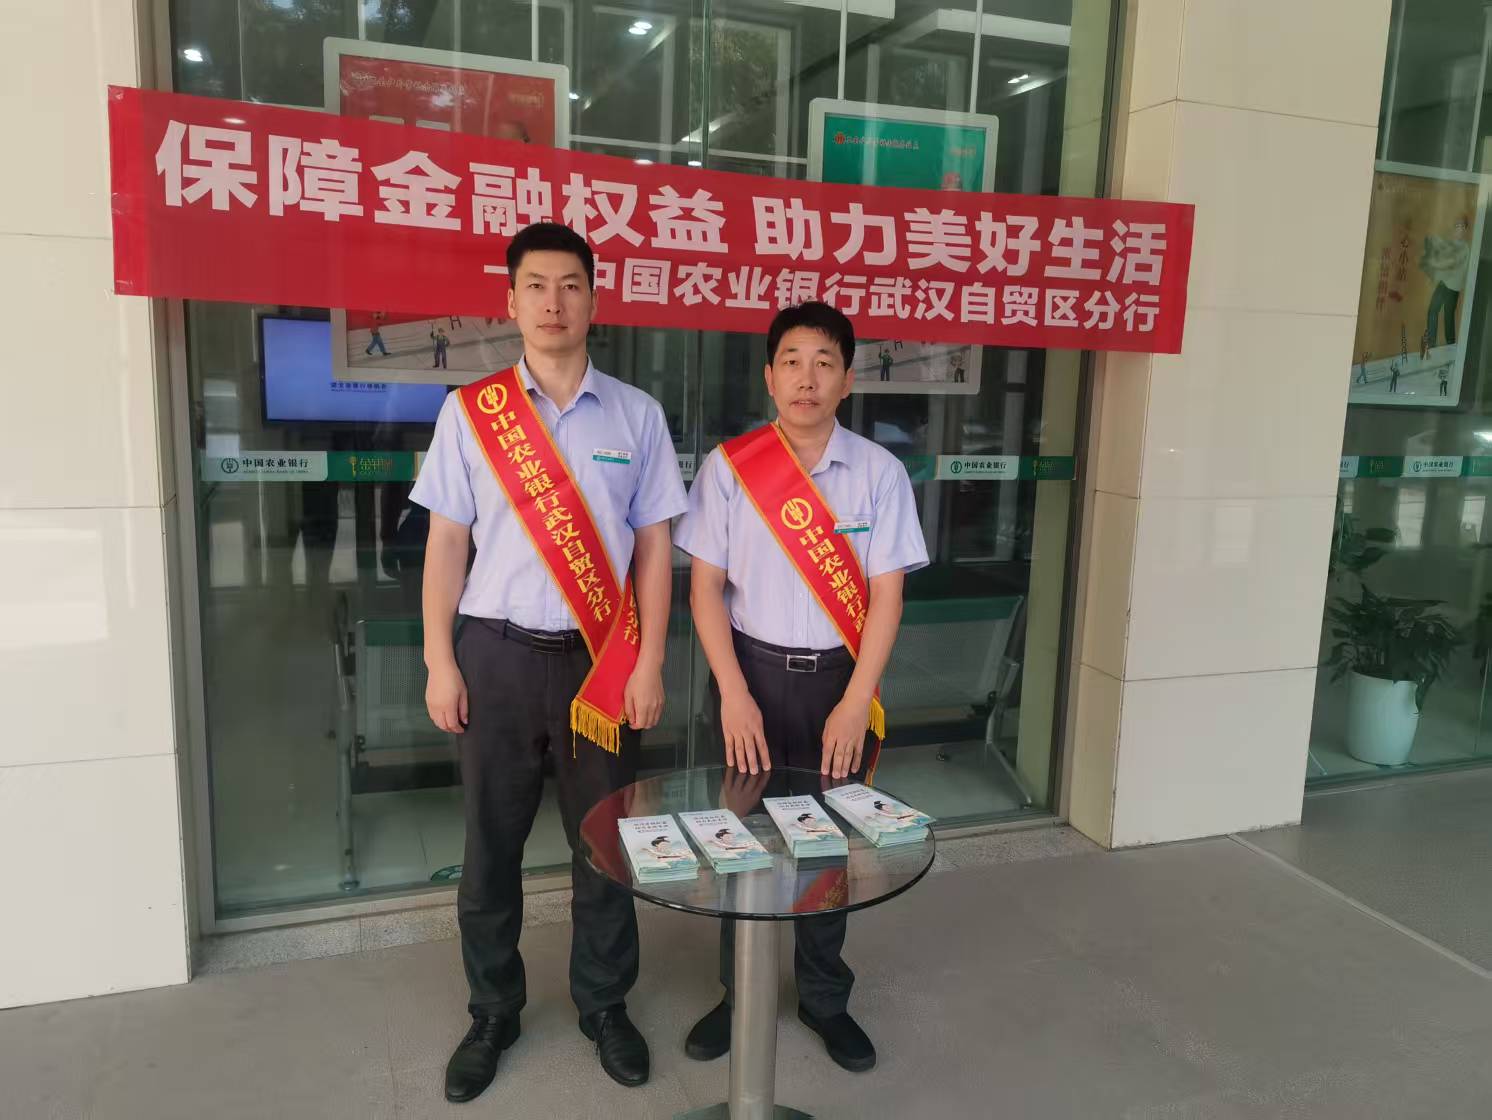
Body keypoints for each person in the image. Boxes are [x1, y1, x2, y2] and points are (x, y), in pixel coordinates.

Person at [412, 221, 687, 1103]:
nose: (553, 301)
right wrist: (439, 660)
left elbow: (655, 548)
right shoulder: (472, 413)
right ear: (511, 301)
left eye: (571, 284)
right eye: (536, 285)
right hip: (493, 658)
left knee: (605, 842)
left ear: (595, 300)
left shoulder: (638, 415)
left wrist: (648, 662)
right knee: (490, 849)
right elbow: (446, 544)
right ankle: (493, 1011)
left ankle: (604, 1005)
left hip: (600, 661)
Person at [674, 300, 929, 1075]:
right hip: (748, 677)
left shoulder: (880, 472)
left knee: (828, 846)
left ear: (847, 380)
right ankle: (737, 992)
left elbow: (887, 596)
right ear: (769, 376)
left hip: (837, 686)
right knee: (743, 838)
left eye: (824, 363)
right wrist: (733, 692)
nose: (807, 378)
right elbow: (704, 589)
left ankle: (824, 997)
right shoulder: (730, 468)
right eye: (792, 361)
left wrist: (856, 700)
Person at [1422, 216, 1471, 350]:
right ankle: (1447, 345)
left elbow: (1451, 263)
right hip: (1448, 284)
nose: (1459, 229)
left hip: (1450, 286)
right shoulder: (1454, 244)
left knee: (1436, 311)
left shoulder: (1464, 248)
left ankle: (1436, 345)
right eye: (1457, 226)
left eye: (1462, 227)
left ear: (1465, 230)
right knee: (1446, 315)